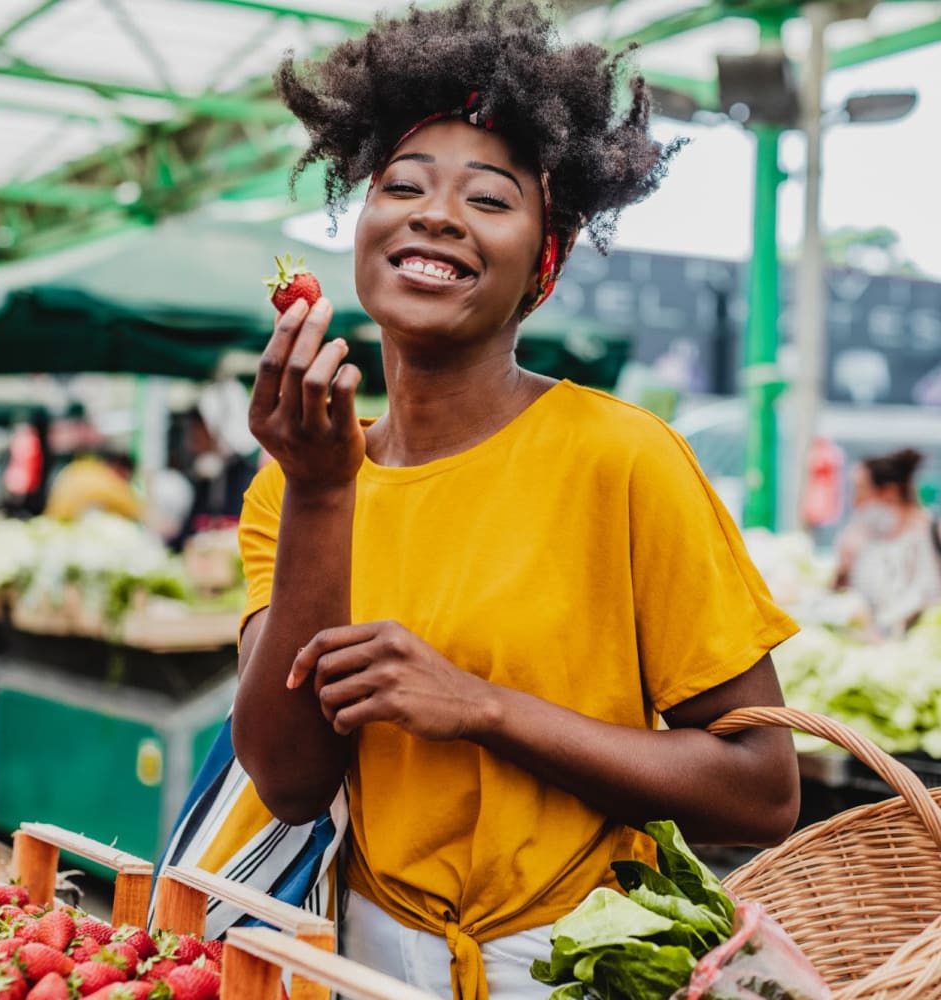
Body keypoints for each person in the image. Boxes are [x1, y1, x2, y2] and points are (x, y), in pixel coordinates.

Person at [229, 3, 801, 997]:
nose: (435, 214)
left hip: (586, 962)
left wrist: (485, 709)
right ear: (362, 227)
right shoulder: (294, 481)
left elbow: (762, 786)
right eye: (400, 186)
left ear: (548, 258)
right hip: (365, 962)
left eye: (488, 200)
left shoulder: (623, 459)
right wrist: (324, 496)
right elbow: (287, 778)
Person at [833, 448, 941, 638]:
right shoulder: (866, 542)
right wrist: (842, 572)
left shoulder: (932, 535)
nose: (854, 502)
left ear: (889, 492)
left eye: (860, 490)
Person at [43, 448, 142, 522]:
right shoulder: (106, 479)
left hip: (52, 522)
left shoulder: (81, 467)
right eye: (125, 478)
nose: (124, 483)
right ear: (118, 468)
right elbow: (136, 510)